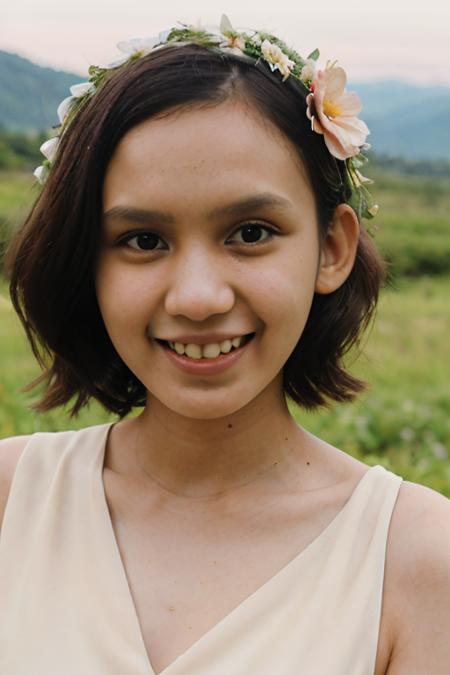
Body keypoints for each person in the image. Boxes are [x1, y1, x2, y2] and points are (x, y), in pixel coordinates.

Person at [0, 15, 449, 675]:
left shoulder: (416, 558)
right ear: (86, 261)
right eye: (143, 240)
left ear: (332, 249)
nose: (198, 297)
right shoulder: (11, 502)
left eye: (250, 232)